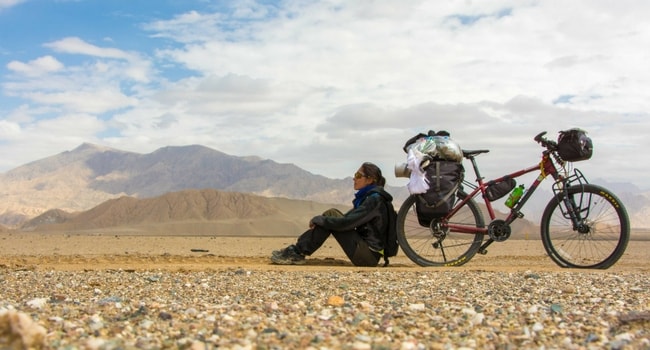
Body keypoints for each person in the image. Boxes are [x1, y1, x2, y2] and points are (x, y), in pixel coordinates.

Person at [271, 162, 394, 266]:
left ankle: (297, 252)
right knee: (330, 214)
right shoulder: (369, 197)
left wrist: (320, 220)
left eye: (358, 175)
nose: (354, 178)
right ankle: (298, 250)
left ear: (370, 180)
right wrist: (323, 220)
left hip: (368, 256)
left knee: (330, 218)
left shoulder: (374, 199)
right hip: (365, 252)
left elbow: (346, 223)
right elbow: (347, 219)